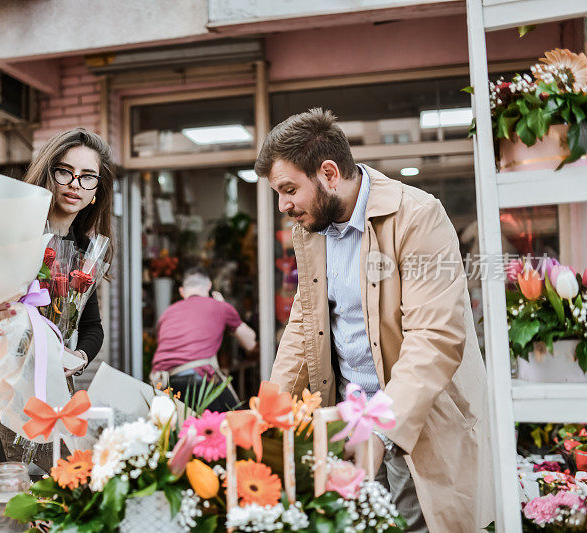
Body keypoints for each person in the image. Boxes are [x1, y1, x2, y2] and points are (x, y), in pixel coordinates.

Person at [256, 108, 493, 532]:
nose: (283, 204)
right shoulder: (312, 228)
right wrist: (270, 415)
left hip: (414, 422)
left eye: (289, 189)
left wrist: (381, 432)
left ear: (329, 173)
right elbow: (304, 324)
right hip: (348, 421)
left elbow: (434, 337)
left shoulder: (418, 217)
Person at [0, 127, 114, 469]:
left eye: (88, 177)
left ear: (96, 191)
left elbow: (92, 326)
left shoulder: (85, 254)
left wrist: (77, 356)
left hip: (52, 393)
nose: (75, 183)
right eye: (65, 171)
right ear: (48, 174)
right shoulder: (11, 231)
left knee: (45, 499)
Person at [150, 267, 257, 411]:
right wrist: (224, 305)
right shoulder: (220, 306)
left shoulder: (166, 313)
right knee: (236, 424)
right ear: (209, 286)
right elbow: (250, 342)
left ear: (182, 291)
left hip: (164, 386)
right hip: (200, 381)